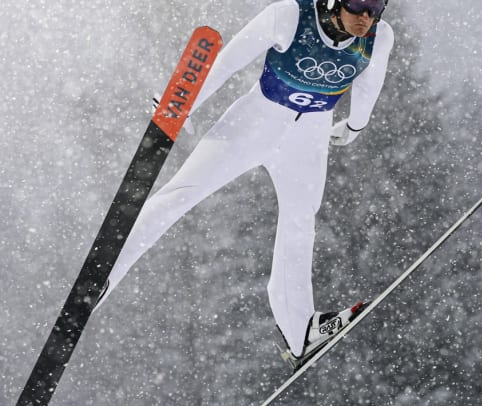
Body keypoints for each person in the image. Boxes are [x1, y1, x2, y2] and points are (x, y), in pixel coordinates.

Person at [95, 0, 394, 368]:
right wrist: (183, 103)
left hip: (309, 137)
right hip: (255, 123)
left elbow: (369, 83)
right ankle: (103, 276)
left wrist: (355, 125)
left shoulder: (379, 37)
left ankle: (299, 327)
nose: (367, 17)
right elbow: (228, 60)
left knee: (301, 221)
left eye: (377, 7)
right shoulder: (290, 14)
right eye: (360, 5)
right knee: (182, 193)